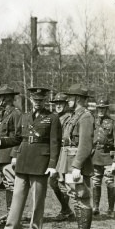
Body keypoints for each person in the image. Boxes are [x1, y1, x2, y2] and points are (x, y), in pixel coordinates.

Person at [0, 86, 61, 229]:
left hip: (40, 161)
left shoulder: (52, 118)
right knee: (17, 195)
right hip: (23, 159)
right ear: (31, 100)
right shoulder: (25, 117)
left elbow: (55, 143)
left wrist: (52, 165)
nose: (38, 102)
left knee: (37, 198)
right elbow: (18, 138)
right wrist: (3, 143)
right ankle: (11, 228)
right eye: (35, 100)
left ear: (45, 100)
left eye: (41, 100)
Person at [56, 84, 96, 229]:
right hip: (68, 161)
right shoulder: (74, 115)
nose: (67, 100)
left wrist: (77, 165)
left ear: (78, 98)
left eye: (70, 98)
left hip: (77, 164)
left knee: (82, 196)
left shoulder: (85, 117)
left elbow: (86, 145)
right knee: (75, 196)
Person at [0, 85, 23, 224]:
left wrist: (15, 155)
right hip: (2, 155)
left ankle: (14, 215)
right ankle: (10, 212)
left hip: (9, 155)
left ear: (8, 98)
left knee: (12, 185)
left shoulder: (16, 113)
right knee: (7, 185)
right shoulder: (5, 113)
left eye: (1, 97)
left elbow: (19, 137)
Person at [91, 96, 115, 217]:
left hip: (109, 157)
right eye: (99, 108)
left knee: (109, 182)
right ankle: (95, 207)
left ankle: (110, 209)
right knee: (96, 182)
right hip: (95, 156)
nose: (101, 110)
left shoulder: (113, 123)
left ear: (106, 109)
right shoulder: (92, 122)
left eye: (103, 108)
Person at [49, 92, 75, 221]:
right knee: (54, 182)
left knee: (64, 182)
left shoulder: (69, 118)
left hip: (65, 152)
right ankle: (66, 209)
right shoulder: (54, 117)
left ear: (66, 105)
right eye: (56, 103)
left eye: (61, 103)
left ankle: (67, 210)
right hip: (56, 152)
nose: (58, 105)